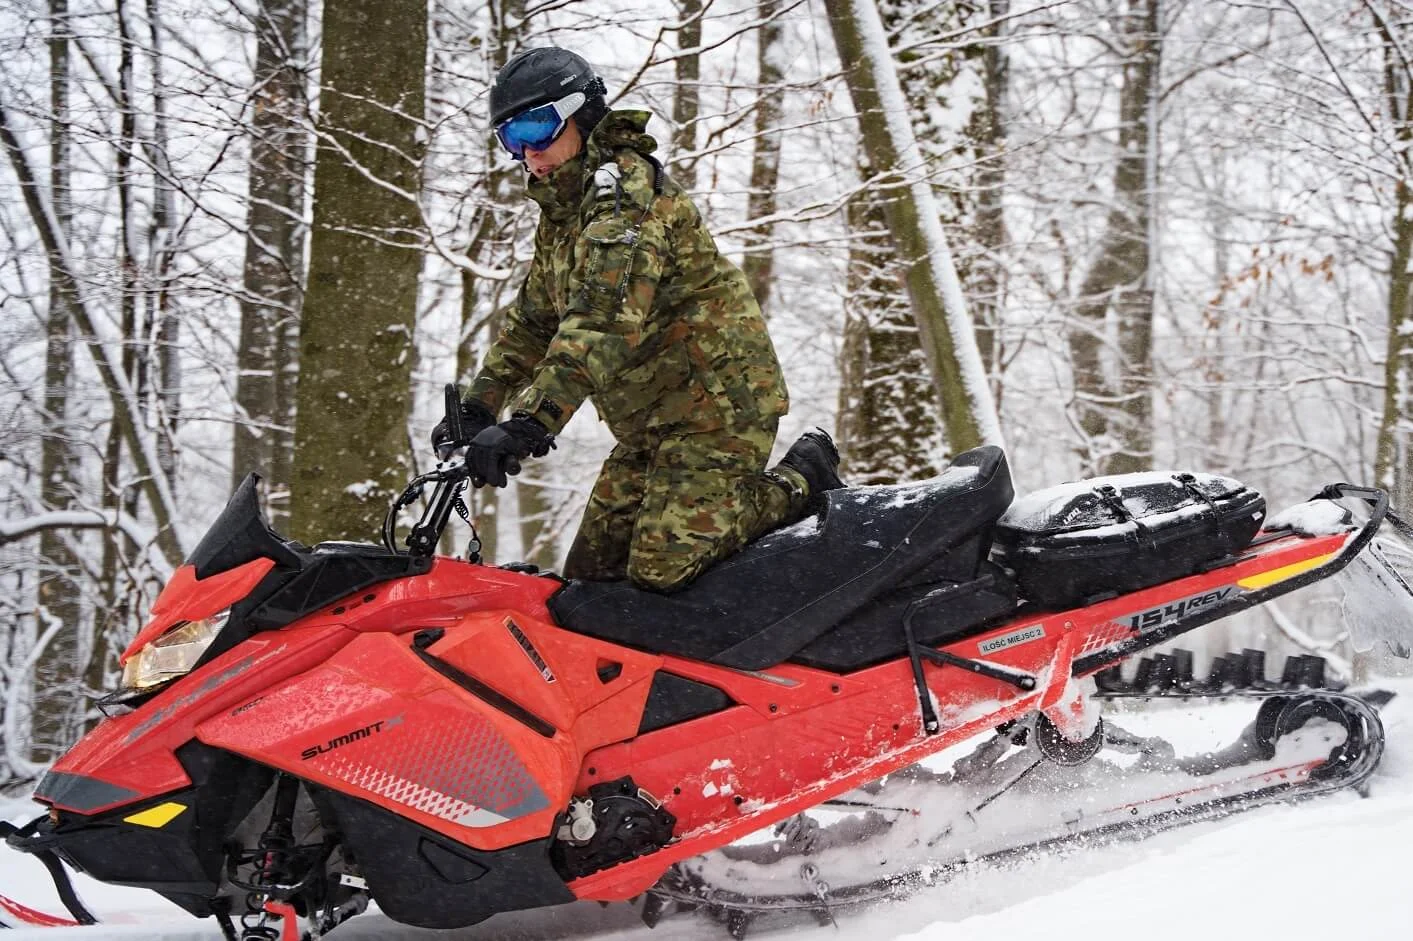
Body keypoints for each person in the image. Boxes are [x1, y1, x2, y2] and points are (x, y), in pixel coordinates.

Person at [433, 46, 843, 593]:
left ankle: (803, 480)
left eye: (538, 129)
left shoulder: (625, 195)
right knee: (591, 583)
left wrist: (533, 420)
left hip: (716, 409)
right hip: (648, 425)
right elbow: (536, 320)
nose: (529, 154)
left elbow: (604, 316)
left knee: (661, 569)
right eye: (512, 139)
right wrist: (479, 403)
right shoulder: (565, 210)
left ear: (582, 115)